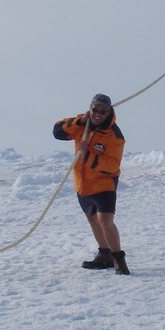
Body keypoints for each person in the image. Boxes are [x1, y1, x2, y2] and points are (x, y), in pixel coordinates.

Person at [53, 94, 130, 275]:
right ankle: (105, 255)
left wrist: (87, 155)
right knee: (92, 218)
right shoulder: (83, 125)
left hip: (104, 184)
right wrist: (79, 120)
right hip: (83, 184)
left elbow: (112, 165)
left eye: (102, 111)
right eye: (95, 110)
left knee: (105, 221)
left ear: (108, 112)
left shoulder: (115, 136)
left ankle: (119, 258)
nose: (98, 114)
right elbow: (57, 132)